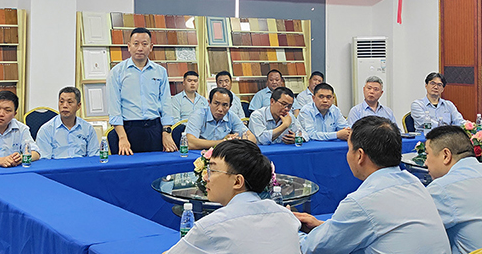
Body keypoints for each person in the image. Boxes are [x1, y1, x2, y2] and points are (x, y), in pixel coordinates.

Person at [294, 116, 451, 254]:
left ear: (360, 155)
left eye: (349, 149)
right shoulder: (414, 183)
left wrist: (291, 226)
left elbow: (312, 248)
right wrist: (323, 227)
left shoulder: (362, 201)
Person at [165, 140, 301, 254]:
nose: (205, 177)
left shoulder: (211, 227)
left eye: (212, 171)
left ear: (237, 181)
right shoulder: (287, 217)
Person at [106, 27, 177, 155]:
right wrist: (122, 137)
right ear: (129, 46)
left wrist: (166, 133)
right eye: (136, 44)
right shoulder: (117, 72)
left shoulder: (160, 72)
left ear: (151, 47)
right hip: (128, 129)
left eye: (144, 44)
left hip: (154, 128)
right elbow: (114, 108)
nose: (140, 48)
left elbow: (166, 103)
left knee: (156, 165)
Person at [425, 126, 482, 254]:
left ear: (446, 155)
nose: (425, 163)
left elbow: (416, 233)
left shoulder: (441, 189)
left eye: (427, 154)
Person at [36, 86, 99, 159]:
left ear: (78, 106)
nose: (65, 106)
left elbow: (94, 157)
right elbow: (44, 160)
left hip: (81, 165)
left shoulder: (87, 128)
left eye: (69, 102)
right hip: (57, 165)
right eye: (61, 102)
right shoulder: (46, 130)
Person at [186, 88, 256, 150]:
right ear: (209, 103)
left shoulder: (231, 116)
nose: (220, 109)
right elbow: (190, 142)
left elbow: (252, 138)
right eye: (216, 103)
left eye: (225, 105)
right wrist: (223, 142)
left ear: (230, 106)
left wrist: (239, 141)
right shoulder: (198, 115)